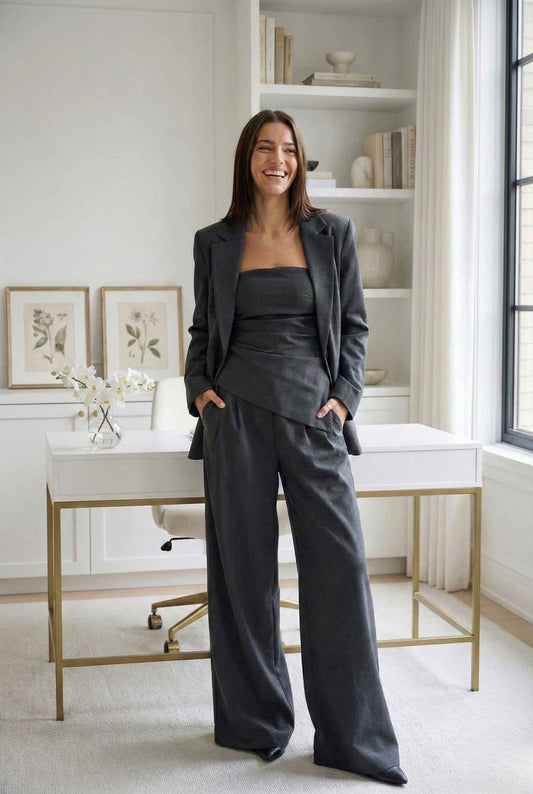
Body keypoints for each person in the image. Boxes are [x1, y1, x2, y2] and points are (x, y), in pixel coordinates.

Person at [184, 109, 407, 786]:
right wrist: (199, 390)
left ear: (299, 160)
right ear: (246, 158)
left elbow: (355, 327)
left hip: (314, 418)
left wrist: (343, 399)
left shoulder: (331, 233)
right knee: (242, 578)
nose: (275, 159)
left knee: (338, 577)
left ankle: (351, 738)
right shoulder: (214, 241)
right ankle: (256, 723)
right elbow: (202, 330)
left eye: (286, 149)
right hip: (237, 418)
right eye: (263, 147)